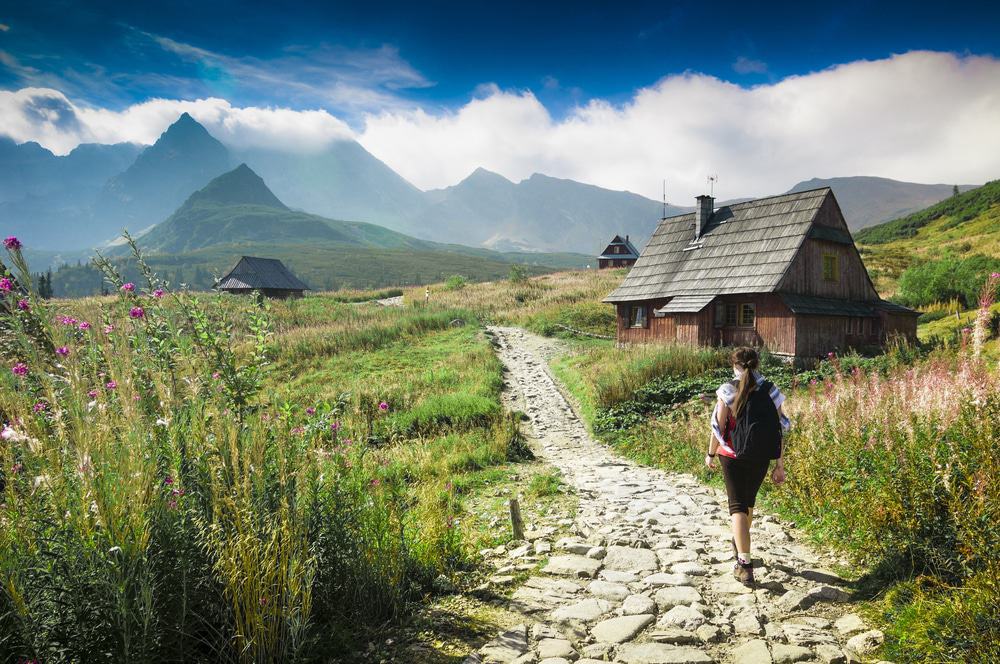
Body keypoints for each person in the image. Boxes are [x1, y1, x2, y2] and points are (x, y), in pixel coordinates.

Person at [705, 347, 789, 585]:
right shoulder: (771, 390)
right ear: (757, 364)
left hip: (732, 456)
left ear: (735, 365)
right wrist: (779, 464)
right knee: (748, 503)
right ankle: (741, 543)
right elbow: (780, 427)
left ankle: (744, 565)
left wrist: (711, 453)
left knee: (737, 507)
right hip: (761, 455)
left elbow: (718, 428)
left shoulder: (727, 389)